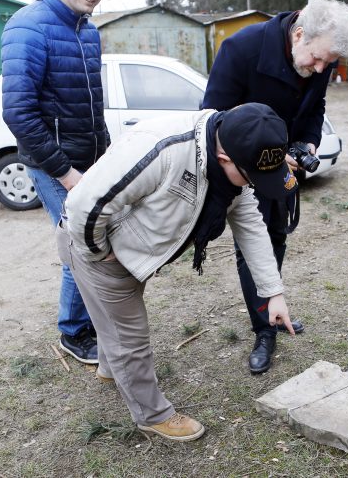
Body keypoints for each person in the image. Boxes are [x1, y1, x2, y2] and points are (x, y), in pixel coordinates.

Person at [56, 103, 297, 441]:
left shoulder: (229, 167)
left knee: (113, 323)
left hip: (130, 250)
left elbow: (251, 227)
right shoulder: (164, 149)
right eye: (252, 177)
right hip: (94, 247)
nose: (252, 185)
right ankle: (151, 414)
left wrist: (274, 293)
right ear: (225, 157)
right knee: (131, 338)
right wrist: (101, 252)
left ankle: (110, 370)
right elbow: (83, 203)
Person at [202, 0, 348, 374]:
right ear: (299, 34)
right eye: (317, 60)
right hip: (245, 171)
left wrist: (307, 142)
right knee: (251, 248)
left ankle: (273, 306)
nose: (320, 69)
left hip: (285, 170)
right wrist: (263, 155)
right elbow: (211, 118)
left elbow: (315, 106)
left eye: (327, 64)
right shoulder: (241, 49)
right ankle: (263, 330)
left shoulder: (318, 54)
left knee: (278, 237)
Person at [1, 0, 109, 364]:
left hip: (91, 159)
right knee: (78, 246)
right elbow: (18, 112)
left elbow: (93, 105)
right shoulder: (27, 24)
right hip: (53, 165)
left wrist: (106, 153)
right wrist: (65, 173)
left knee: (96, 242)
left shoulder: (89, 30)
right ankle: (74, 332)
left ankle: (94, 320)